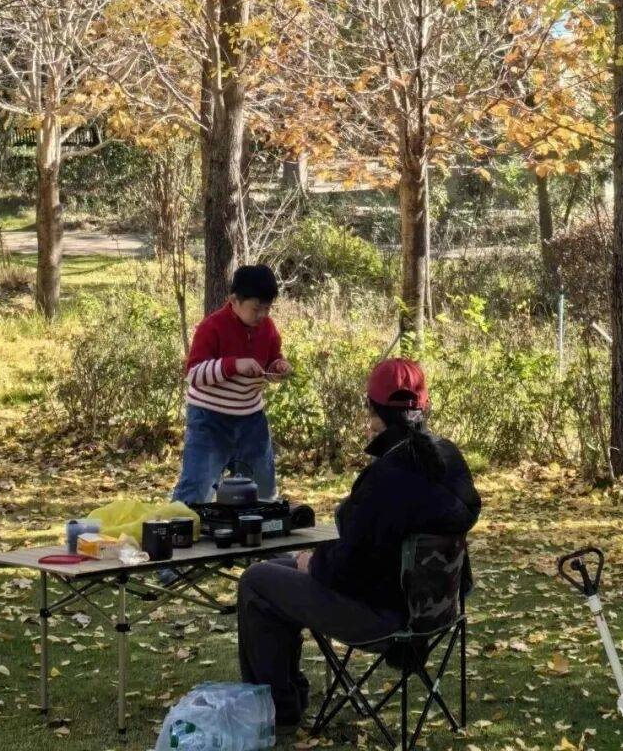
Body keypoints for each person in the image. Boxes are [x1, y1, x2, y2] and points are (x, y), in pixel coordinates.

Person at [237, 358, 481, 728]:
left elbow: (349, 567)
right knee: (277, 568)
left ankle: (279, 709)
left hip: (384, 617)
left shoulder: (387, 475)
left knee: (256, 581)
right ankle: (285, 696)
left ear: (374, 412)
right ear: (424, 406)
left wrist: (314, 563)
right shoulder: (449, 457)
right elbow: (372, 550)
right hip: (433, 611)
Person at [172, 263, 291, 505]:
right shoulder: (212, 327)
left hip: (251, 419)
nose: (262, 315)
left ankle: (256, 525)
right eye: (256, 309)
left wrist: (278, 367)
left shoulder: (267, 328)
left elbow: (270, 361)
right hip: (209, 419)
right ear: (234, 300)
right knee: (197, 486)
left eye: (267, 309)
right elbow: (194, 374)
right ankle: (183, 523)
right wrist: (233, 365)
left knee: (261, 489)